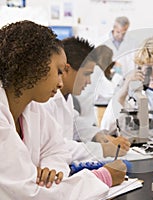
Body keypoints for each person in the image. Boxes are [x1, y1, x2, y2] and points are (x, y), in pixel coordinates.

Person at [0, 20, 126, 199]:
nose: (60, 82)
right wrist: (102, 177)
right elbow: (29, 194)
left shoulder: (34, 107)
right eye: (59, 71)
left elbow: (56, 149)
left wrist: (52, 172)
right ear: (33, 68)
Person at [42, 37, 130, 162]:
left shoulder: (66, 97)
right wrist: (103, 149)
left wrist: (100, 137)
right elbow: (54, 146)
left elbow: (76, 125)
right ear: (66, 69)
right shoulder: (46, 100)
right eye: (86, 74)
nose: (88, 81)